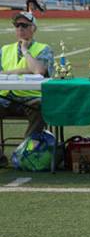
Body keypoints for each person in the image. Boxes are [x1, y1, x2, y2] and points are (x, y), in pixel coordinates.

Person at [0, 11, 53, 163]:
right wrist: (22, 70)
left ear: (33, 28)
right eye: (17, 25)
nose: (20, 29)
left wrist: (25, 51)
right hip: (5, 96)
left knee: (42, 106)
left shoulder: (44, 49)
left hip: (30, 97)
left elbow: (38, 71)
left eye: (24, 25)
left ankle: (24, 151)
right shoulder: (5, 50)